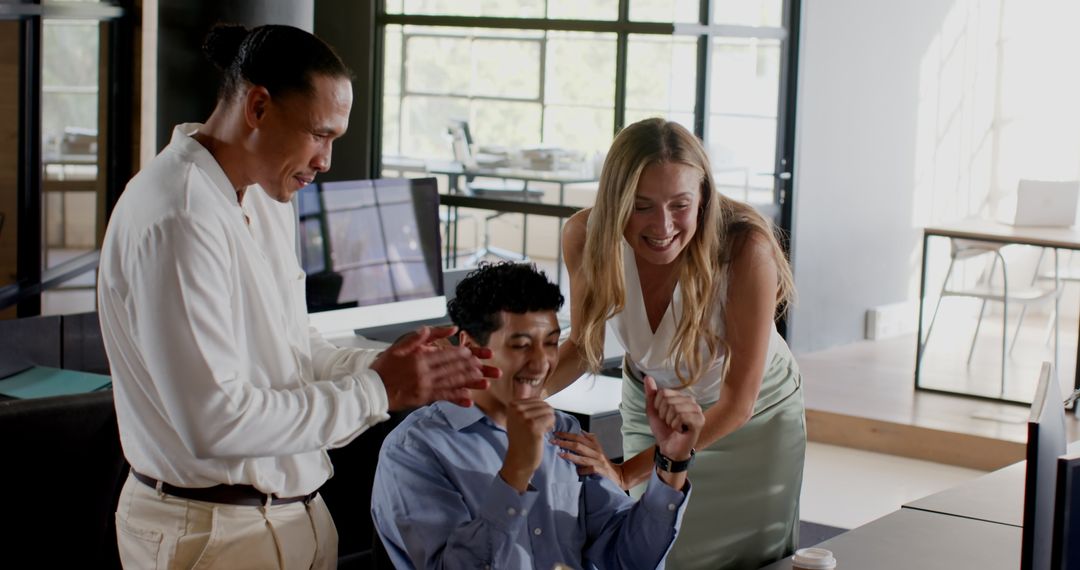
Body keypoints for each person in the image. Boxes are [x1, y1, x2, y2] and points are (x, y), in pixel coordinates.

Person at [98, 24, 495, 569]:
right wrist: (378, 389)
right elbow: (215, 421)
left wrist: (395, 366)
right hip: (213, 533)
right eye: (319, 135)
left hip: (290, 518)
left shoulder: (264, 196)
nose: (326, 160)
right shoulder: (181, 216)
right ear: (258, 107)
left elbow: (293, 349)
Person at [547, 118, 806, 570]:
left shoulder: (745, 249)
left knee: (750, 562)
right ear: (615, 200)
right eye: (641, 206)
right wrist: (506, 398)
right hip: (655, 408)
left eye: (680, 205)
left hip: (752, 418)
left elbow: (738, 404)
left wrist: (625, 471)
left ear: (703, 196)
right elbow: (584, 347)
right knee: (651, 547)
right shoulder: (586, 236)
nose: (662, 225)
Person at [371, 262, 705, 569]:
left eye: (551, 343)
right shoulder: (415, 450)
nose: (542, 363)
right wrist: (516, 471)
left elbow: (627, 558)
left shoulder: (562, 430)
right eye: (521, 345)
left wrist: (671, 464)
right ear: (471, 348)